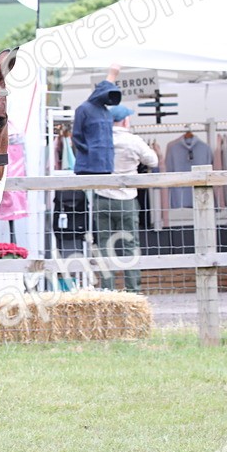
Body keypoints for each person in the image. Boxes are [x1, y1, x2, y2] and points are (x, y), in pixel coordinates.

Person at [94, 105, 158, 292]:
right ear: (124, 120)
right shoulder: (133, 141)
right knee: (130, 245)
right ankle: (133, 290)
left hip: (102, 196)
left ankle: (108, 290)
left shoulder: (99, 139)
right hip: (126, 198)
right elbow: (153, 161)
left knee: (104, 245)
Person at [72, 65, 122, 175]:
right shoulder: (84, 109)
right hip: (87, 165)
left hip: (106, 165)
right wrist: (89, 150)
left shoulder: (107, 113)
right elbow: (76, 135)